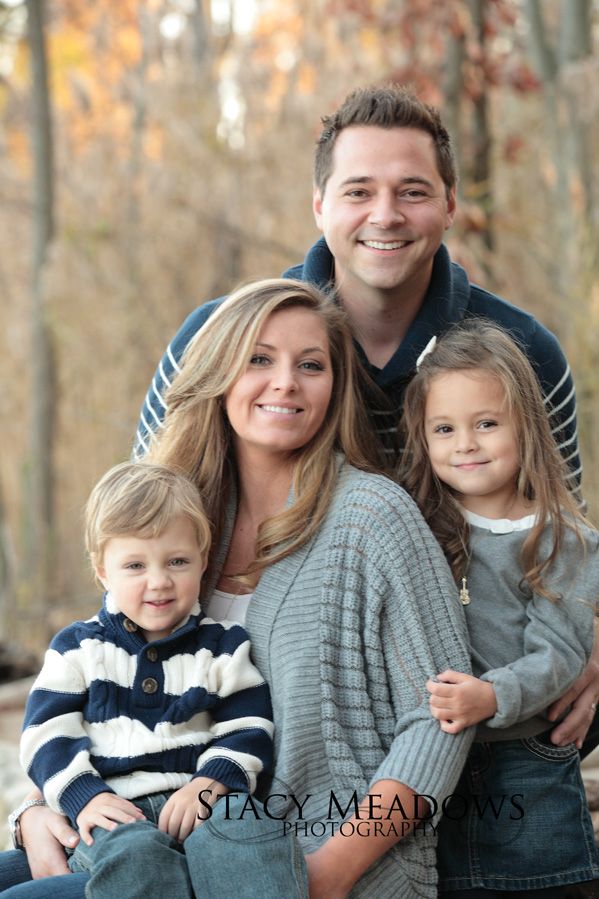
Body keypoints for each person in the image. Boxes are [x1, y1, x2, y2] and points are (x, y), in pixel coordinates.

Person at [132, 83, 597, 755]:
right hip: (251, 682)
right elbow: (137, 527)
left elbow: (560, 537)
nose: (385, 215)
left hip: (464, 692)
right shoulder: (221, 340)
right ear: (319, 205)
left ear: (449, 204)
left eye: (411, 191)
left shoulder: (519, 353)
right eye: (357, 191)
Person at [1, 279, 473, 897]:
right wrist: (34, 814)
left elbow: (438, 722)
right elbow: (100, 687)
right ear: (219, 370)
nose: (286, 382)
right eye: (259, 359)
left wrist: (330, 872)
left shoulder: (373, 518)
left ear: (335, 389)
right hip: (146, 841)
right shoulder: (172, 513)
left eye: (311, 365)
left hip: (301, 860)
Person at [2, 462, 273, 897]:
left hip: (200, 805)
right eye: (134, 565)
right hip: (113, 814)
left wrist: (210, 783)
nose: (159, 581)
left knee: (249, 829)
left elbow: (249, 727)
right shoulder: (78, 649)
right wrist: (84, 797)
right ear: (103, 570)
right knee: (136, 857)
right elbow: (45, 736)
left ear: (203, 560)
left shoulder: (223, 646)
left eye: (177, 561)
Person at [400, 320, 599, 897]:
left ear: (528, 428)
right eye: (444, 428)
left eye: (486, 424)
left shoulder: (560, 537)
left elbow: (560, 652)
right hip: (434, 763)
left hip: (526, 760)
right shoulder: (420, 525)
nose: (465, 443)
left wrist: (493, 696)